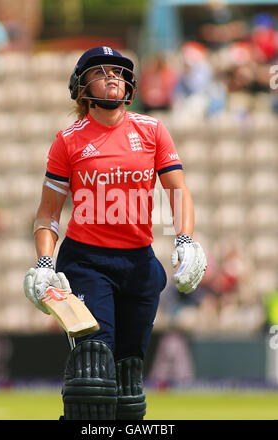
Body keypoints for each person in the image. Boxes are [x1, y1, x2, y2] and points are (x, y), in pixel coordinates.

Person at [23, 46, 207, 420]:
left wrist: (185, 239)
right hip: (86, 261)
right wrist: (44, 262)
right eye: (101, 71)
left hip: (139, 263)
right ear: (81, 86)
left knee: (128, 381)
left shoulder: (152, 130)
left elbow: (177, 191)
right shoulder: (68, 140)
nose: (113, 76)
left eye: (120, 72)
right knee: (93, 371)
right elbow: (48, 214)